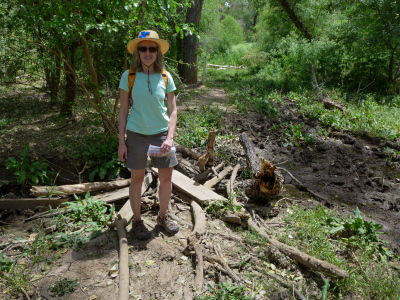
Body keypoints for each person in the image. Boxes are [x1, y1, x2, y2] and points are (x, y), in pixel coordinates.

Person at [118, 30, 179, 240]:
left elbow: (173, 110)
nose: (147, 52)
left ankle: (162, 218)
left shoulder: (165, 76)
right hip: (136, 135)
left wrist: (169, 137)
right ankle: (137, 222)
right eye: (143, 48)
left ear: (157, 52)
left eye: (152, 48)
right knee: (136, 180)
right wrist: (121, 143)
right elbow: (123, 110)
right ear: (137, 51)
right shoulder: (129, 76)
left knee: (166, 179)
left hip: (161, 135)